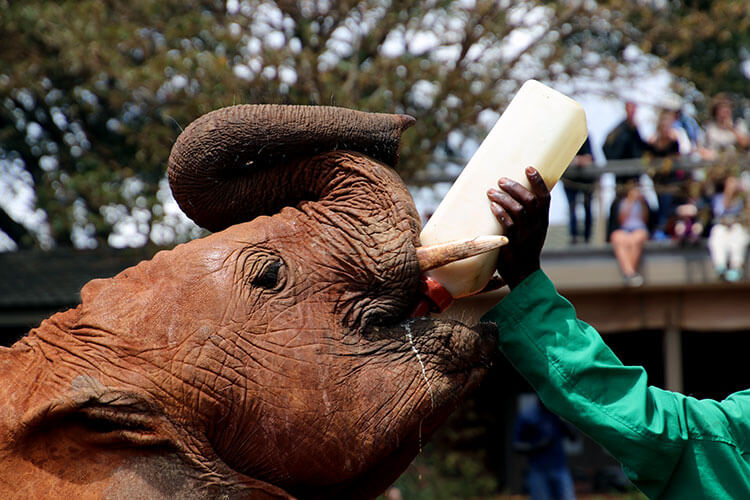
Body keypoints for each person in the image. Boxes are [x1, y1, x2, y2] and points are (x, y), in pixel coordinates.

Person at [485, 167, 750, 499]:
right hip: (543, 470)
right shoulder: (532, 418)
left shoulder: (732, 436)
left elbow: (657, 431)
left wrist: (526, 283)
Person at [513, 394, 578, 500]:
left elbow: (574, 438)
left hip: (560, 468)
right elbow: (516, 446)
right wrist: (537, 446)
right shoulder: (527, 415)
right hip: (538, 469)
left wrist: (562, 419)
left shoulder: (557, 415)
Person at [707, 174, 749, 282]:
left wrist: (746, 191)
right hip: (723, 226)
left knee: (739, 237)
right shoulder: (719, 197)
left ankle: (736, 268)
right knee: (716, 235)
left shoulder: (742, 197)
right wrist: (729, 192)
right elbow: (721, 209)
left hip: (738, 227)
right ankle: (720, 268)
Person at [607, 182, 650, 286]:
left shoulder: (643, 203)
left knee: (635, 240)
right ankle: (630, 273)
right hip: (624, 229)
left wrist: (642, 202)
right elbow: (621, 219)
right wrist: (630, 202)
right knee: (618, 239)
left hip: (639, 229)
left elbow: (646, 219)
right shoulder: (620, 202)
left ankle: (629, 274)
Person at [562, 138, 594, 244]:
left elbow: (589, 158)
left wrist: (575, 160)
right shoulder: (564, 138)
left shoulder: (584, 136)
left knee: (587, 207)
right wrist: (577, 160)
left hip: (586, 179)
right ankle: (574, 235)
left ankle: (587, 237)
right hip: (570, 179)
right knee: (572, 207)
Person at [602, 101, 648, 166]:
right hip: (620, 166)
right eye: (630, 108)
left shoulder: (635, 129)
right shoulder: (618, 130)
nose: (631, 111)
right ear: (626, 109)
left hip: (634, 168)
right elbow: (606, 146)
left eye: (633, 109)